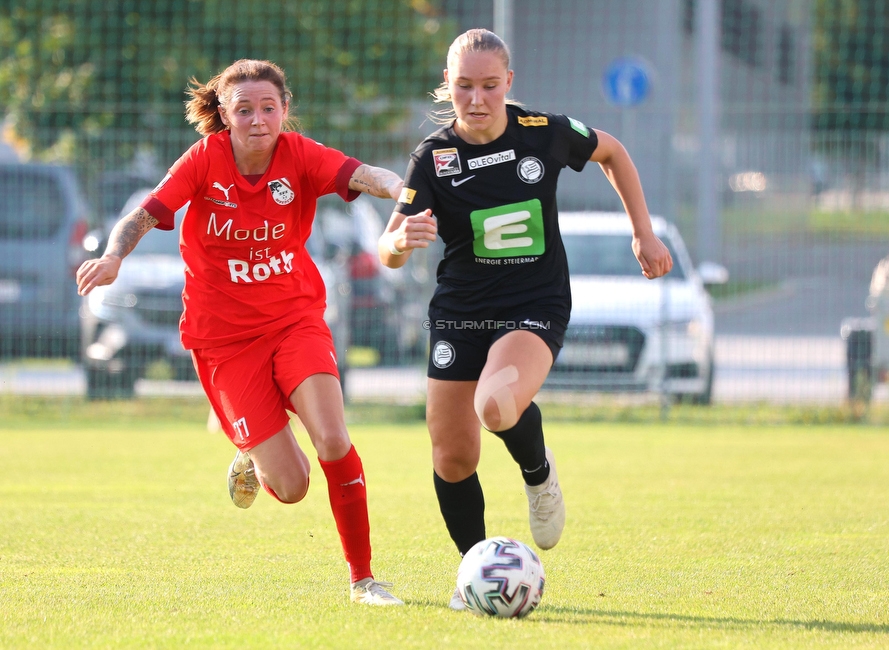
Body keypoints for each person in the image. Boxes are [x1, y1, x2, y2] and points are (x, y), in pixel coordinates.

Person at [76, 59, 404, 605]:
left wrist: (404, 191)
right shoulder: (204, 160)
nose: (258, 119)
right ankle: (252, 451)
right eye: (244, 109)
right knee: (293, 488)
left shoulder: (299, 155)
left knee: (332, 437)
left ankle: (363, 579)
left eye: (268, 108)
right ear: (225, 116)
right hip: (224, 341)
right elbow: (144, 213)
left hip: (295, 320)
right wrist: (113, 257)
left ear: (284, 110)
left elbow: (365, 174)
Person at [378, 29, 673, 609]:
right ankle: (476, 573)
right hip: (460, 312)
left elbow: (613, 152)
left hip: (533, 306)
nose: (477, 98)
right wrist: (400, 241)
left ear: (508, 83)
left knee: (495, 406)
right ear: (448, 86)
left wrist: (643, 231)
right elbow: (388, 248)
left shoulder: (544, 133)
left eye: (490, 85)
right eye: (464, 86)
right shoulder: (433, 158)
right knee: (452, 454)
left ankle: (538, 475)